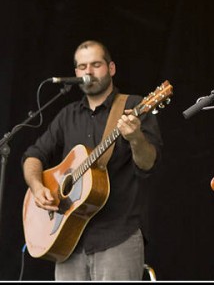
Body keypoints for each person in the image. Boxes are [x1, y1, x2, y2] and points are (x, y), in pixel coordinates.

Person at [22, 40, 164, 281]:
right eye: (82, 67)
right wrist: (37, 187)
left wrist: (135, 137)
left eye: (96, 64)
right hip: (67, 241)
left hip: (118, 235)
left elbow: (148, 163)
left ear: (111, 68)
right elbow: (33, 156)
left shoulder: (132, 106)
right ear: (76, 73)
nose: (88, 72)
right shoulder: (67, 115)